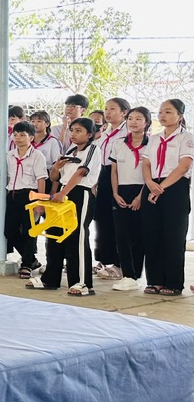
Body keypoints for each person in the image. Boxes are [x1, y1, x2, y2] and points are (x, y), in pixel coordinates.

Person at [30, 118, 101, 296]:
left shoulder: (92, 149)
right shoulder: (69, 150)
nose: (73, 134)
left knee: (77, 236)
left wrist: (63, 193)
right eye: (72, 130)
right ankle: (50, 279)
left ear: (89, 134)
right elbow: (55, 177)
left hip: (80, 193)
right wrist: (56, 167)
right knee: (55, 234)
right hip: (62, 193)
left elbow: (81, 172)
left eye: (78, 131)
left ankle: (82, 282)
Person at [141, 99, 192, 296]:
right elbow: (146, 163)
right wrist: (149, 182)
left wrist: (160, 188)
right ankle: (155, 280)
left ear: (180, 116)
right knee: (152, 235)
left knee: (173, 236)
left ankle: (173, 282)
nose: (162, 115)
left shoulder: (186, 137)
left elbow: (184, 166)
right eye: (161, 112)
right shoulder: (154, 138)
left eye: (168, 112)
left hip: (174, 187)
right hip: (152, 184)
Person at [109, 107, 151, 291]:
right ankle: (127, 274)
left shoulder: (152, 144)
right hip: (121, 191)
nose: (133, 122)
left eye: (138, 119)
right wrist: (115, 193)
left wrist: (140, 197)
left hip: (142, 190)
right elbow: (114, 171)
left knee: (139, 235)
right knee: (122, 236)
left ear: (147, 122)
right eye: (131, 118)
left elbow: (151, 173)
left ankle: (135, 276)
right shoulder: (118, 143)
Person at [93, 97, 130, 281]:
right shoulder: (105, 132)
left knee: (119, 222)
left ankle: (121, 264)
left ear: (124, 112)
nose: (107, 112)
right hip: (102, 175)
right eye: (106, 108)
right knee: (102, 220)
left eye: (113, 109)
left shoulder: (128, 131)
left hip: (121, 175)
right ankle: (105, 260)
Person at [5, 121, 47, 278]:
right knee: (9, 230)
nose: (18, 138)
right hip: (13, 194)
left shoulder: (37, 156)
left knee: (30, 231)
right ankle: (32, 260)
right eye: (15, 135)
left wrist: (40, 202)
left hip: (30, 195)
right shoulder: (10, 155)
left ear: (31, 137)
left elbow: (41, 179)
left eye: (22, 135)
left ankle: (27, 265)